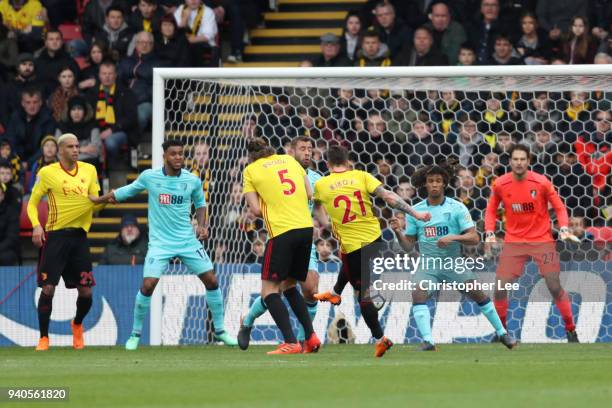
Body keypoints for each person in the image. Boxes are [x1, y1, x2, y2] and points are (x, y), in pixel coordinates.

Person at [90, 139, 237, 349]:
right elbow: (126, 191)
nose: (178, 158)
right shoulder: (150, 177)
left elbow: (201, 204)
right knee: (148, 285)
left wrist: (202, 226)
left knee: (212, 280)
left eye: (181, 154)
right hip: (160, 243)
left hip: (187, 240)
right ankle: (135, 334)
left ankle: (221, 331)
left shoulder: (192, 180)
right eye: (173, 154)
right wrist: (100, 200)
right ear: (165, 156)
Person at [313, 145, 431, 357]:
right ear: (348, 162)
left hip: (353, 244)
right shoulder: (361, 176)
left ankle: (380, 339)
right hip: (374, 237)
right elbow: (389, 197)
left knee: (363, 295)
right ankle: (336, 293)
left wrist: (328, 224)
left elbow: (317, 208)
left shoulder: (321, 184)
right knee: (348, 264)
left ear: (327, 164)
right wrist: (415, 212)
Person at [390, 164, 517, 350]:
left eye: (438, 181)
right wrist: (398, 233)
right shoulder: (415, 211)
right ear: (425, 184)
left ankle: (503, 334)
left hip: (453, 262)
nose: (434, 184)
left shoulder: (457, 207)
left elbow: (474, 238)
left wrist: (454, 237)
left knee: (478, 294)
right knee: (418, 293)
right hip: (428, 264)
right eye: (431, 181)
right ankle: (428, 341)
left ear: (444, 184)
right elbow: (409, 245)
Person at [484, 144, 580, 342]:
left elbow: (560, 208)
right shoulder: (500, 184)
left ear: (529, 161)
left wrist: (563, 227)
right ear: (510, 161)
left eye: (523, 159)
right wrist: (490, 232)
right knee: (500, 288)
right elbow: (491, 209)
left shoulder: (541, 182)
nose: (519, 163)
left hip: (542, 241)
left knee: (554, 286)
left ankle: (570, 329)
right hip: (514, 242)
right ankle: (501, 332)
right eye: (515, 159)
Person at [238, 136, 323, 349]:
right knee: (289, 285)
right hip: (306, 229)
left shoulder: (250, 171)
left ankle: (290, 342)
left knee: (269, 291)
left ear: (251, 157)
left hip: (282, 231)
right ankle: (311, 337)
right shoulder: (290, 162)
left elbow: (256, 210)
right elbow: (310, 194)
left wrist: (274, 204)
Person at [28, 133, 101, 351]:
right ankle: (43, 338)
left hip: (79, 238)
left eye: (78, 146)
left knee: (86, 292)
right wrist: (35, 225)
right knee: (48, 288)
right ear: (60, 151)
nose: (76, 150)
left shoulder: (89, 170)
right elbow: (32, 203)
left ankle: (77, 324)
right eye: (71, 146)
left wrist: (105, 200)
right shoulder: (47, 173)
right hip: (56, 237)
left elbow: (95, 204)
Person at [85, 60, 137, 164]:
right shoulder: (91, 93)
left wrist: (112, 130)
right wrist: (96, 132)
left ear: (115, 75)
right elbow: (88, 116)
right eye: (104, 74)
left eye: (110, 73)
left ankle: (115, 165)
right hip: (96, 131)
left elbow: (130, 118)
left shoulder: (125, 92)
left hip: (120, 131)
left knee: (111, 142)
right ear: (99, 75)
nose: (107, 77)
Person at [4, 87, 55, 169]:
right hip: (16, 161)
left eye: (35, 102)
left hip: (40, 162)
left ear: (40, 103)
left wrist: (29, 163)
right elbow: (10, 140)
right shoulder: (15, 117)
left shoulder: (48, 120)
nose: (32, 106)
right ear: (23, 103)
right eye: (28, 102)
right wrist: (17, 161)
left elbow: (46, 146)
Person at [119, 31, 158, 133]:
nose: (144, 45)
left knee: (140, 114)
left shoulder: (158, 62)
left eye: (148, 42)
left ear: (152, 45)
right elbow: (119, 80)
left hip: (146, 102)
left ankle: (132, 142)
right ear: (136, 44)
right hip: (127, 101)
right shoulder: (126, 61)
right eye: (141, 42)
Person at [55, 95, 101, 167]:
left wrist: (69, 152)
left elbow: (96, 151)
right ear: (69, 112)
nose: (76, 112)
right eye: (73, 109)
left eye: (80, 109)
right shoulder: (62, 127)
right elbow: (58, 150)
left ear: (85, 111)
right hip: (66, 164)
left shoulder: (93, 126)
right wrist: (81, 150)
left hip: (88, 163)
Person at [34, 29, 80, 97]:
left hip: (65, 99)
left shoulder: (70, 61)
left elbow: (76, 82)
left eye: (57, 39)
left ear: (61, 42)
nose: (54, 42)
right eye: (51, 39)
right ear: (45, 42)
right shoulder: (37, 62)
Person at [174, 0, 218, 66]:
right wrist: (184, 18)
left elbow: (207, 36)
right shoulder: (180, 10)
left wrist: (186, 41)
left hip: (205, 46)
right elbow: (175, 32)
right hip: (184, 46)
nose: (193, 1)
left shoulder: (208, 11)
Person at [425, 1, 467, 65]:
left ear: (449, 17)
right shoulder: (425, 29)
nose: (440, 19)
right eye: (437, 16)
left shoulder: (457, 29)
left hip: (450, 70)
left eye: (443, 16)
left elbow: (454, 57)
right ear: (431, 17)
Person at [0, 181, 19, 265]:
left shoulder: (11, 211)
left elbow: (12, 237)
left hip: (4, 249)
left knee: (7, 257)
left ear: (3, 196)